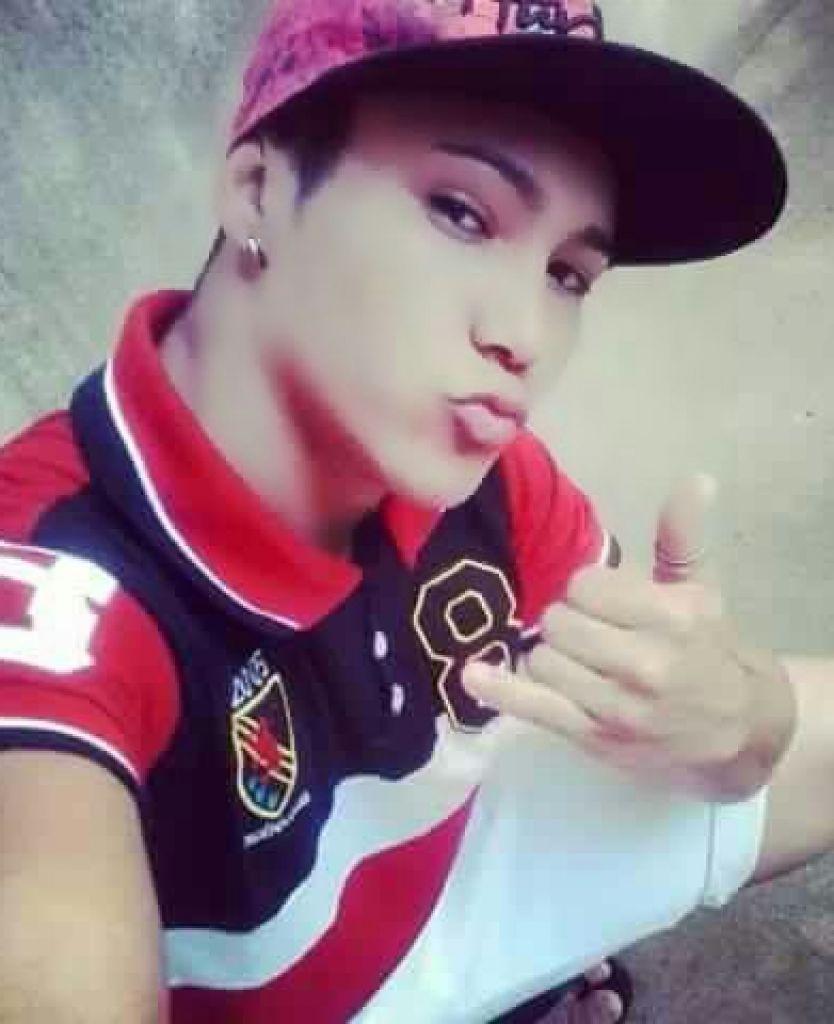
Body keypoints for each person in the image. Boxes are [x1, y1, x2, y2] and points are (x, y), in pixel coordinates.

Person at [1, 1, 828, 1022]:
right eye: (462, 214)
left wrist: (739, 715)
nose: (525, 333)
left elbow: (737, 735)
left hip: (451, 871)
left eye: (568, 273)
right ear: (258, 189)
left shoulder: (494, 477)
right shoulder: (52, 585)